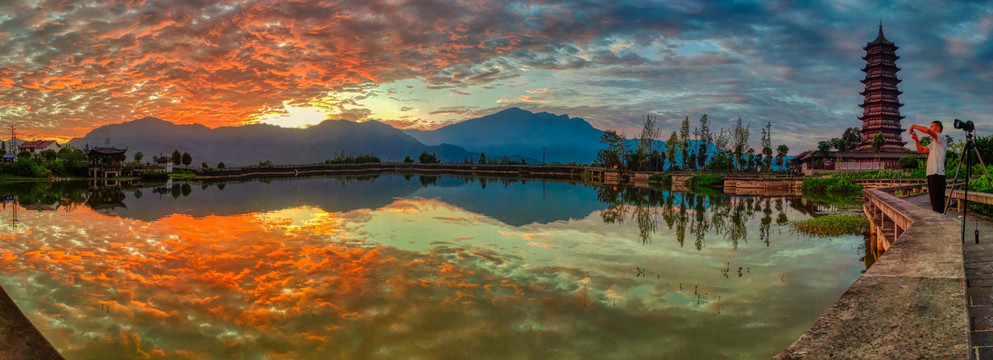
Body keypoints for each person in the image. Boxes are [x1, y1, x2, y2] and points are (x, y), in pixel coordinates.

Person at [909, 121, 946, 212]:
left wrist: (914, 126)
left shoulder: (942, 138)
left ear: (938, 128)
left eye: (932, 126)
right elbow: (921, 150)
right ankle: (938, 223)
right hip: (931, 175)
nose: (930, 128)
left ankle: (940, 223)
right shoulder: (933, 143)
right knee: (934, 204)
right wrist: (917, 140)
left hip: (937, 175)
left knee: (938, 205)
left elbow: (927, 131)